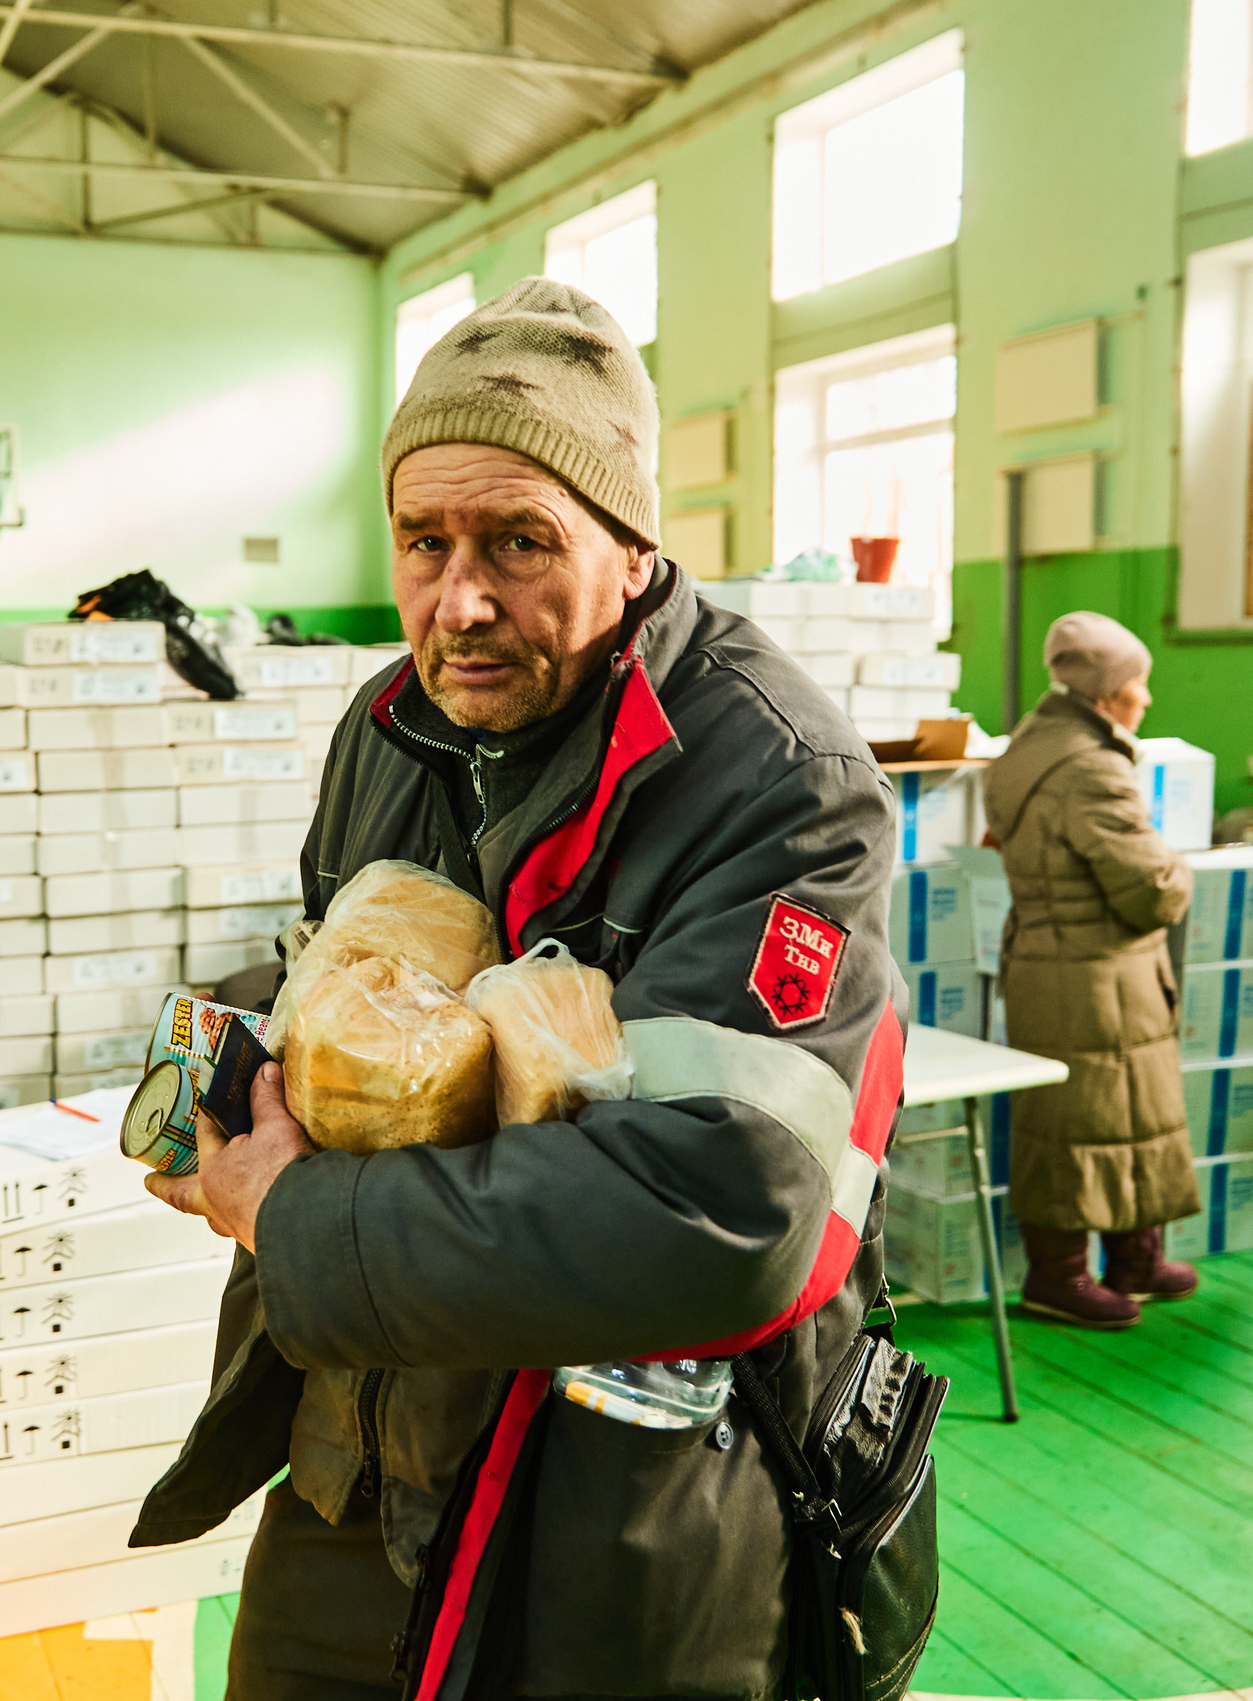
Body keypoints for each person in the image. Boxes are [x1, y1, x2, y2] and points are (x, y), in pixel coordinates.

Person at [128, 277, 908, 1699]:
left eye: (518, 542)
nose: (460, 597)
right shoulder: (389, 724)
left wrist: (293, 1212)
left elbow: (722, 1208)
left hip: (630, 1498)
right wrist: (222, 1072)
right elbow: (340, 986)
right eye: (423, 542)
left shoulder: (776, 778)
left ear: (629, 544)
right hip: (360, 1440)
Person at [982, 612, 1198, 1331]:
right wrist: (1181, 871)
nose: (1147, 699)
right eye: (1139, 684)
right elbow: (1151, 889)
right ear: (1106, 694)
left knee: (1119, 1115)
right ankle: (1059, 1275)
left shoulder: (1029, 748)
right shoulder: (1092, 767)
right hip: (1094, 970)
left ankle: (1134, 1257)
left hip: (1059, 962)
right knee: (1085, 1123)